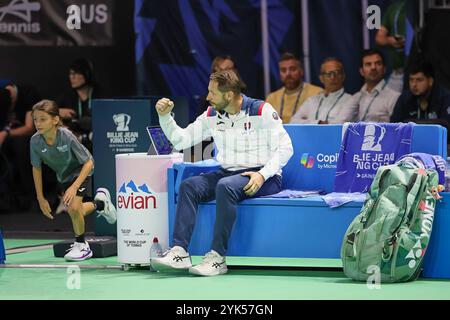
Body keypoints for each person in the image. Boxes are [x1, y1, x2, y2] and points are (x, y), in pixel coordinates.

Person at [152, 70, 293, 276]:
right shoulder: (211, 115)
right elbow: (180, 140)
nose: (207, 97)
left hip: (264, 177)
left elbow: (286, 148)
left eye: (212, 93)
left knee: (225, 186)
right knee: (189, 186)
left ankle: (218, 258)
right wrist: (165, 117)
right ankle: (180, 251)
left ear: (228, 95)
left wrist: (262, 174)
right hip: (228, 172)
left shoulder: (261, 110)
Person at [30, 100, 117, 261]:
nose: (38, 123)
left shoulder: (66, 136)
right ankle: (101, 204)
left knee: (73, 208)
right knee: (75, 210)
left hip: (82, 170)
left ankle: (82, 246)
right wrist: (40, 198)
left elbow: (89, 162)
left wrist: (74, 186)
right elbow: (36, 168)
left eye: (43, 119)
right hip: (64, 177)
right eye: (35, 119)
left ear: (55, 120)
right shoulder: (35, 141)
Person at [0, 82, 41, 211]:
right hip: (6, 137)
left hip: (26, 138)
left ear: (13, 98)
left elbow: (30, 128)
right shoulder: (2, 98)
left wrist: (5, 133)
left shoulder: (27, 94)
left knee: (21, 146)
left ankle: (32, 197)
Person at [56, 58, 103, 152]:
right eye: (70, 74)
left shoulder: (100, 94)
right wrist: (58, 112)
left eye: (76, 73)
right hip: (74, 141)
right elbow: (44, 114)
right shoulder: (67, 96)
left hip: (97, 139)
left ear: (87, 74)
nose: (72, 77)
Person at [290, 57, 354, 124]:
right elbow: (293, 121)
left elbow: (339, 125)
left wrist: (311, 123)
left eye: (336, 73)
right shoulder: (312, 100)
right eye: (328, 74)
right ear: (321, 78)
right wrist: (319, 122)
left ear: (343, 76)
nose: (333, 77)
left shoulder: (350, 100)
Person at [266, 52, 322, 124]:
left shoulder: (317, 93)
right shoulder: (272, 98)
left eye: (292, 69)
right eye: (283, 70)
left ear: (301, 71)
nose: (288, 74)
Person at [350, 49, 400, 123]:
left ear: (384, 69)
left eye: (378, 63)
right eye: (368, 64)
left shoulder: (394, 97)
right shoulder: (355, 97)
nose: (373, 67)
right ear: (361, 71)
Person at [375, 0, 407, 92]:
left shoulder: (421, 8)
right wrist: (391, 40)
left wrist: (410, 42)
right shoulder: (394, 8)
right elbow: (379, 38)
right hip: (398, 74)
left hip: (420, 73)